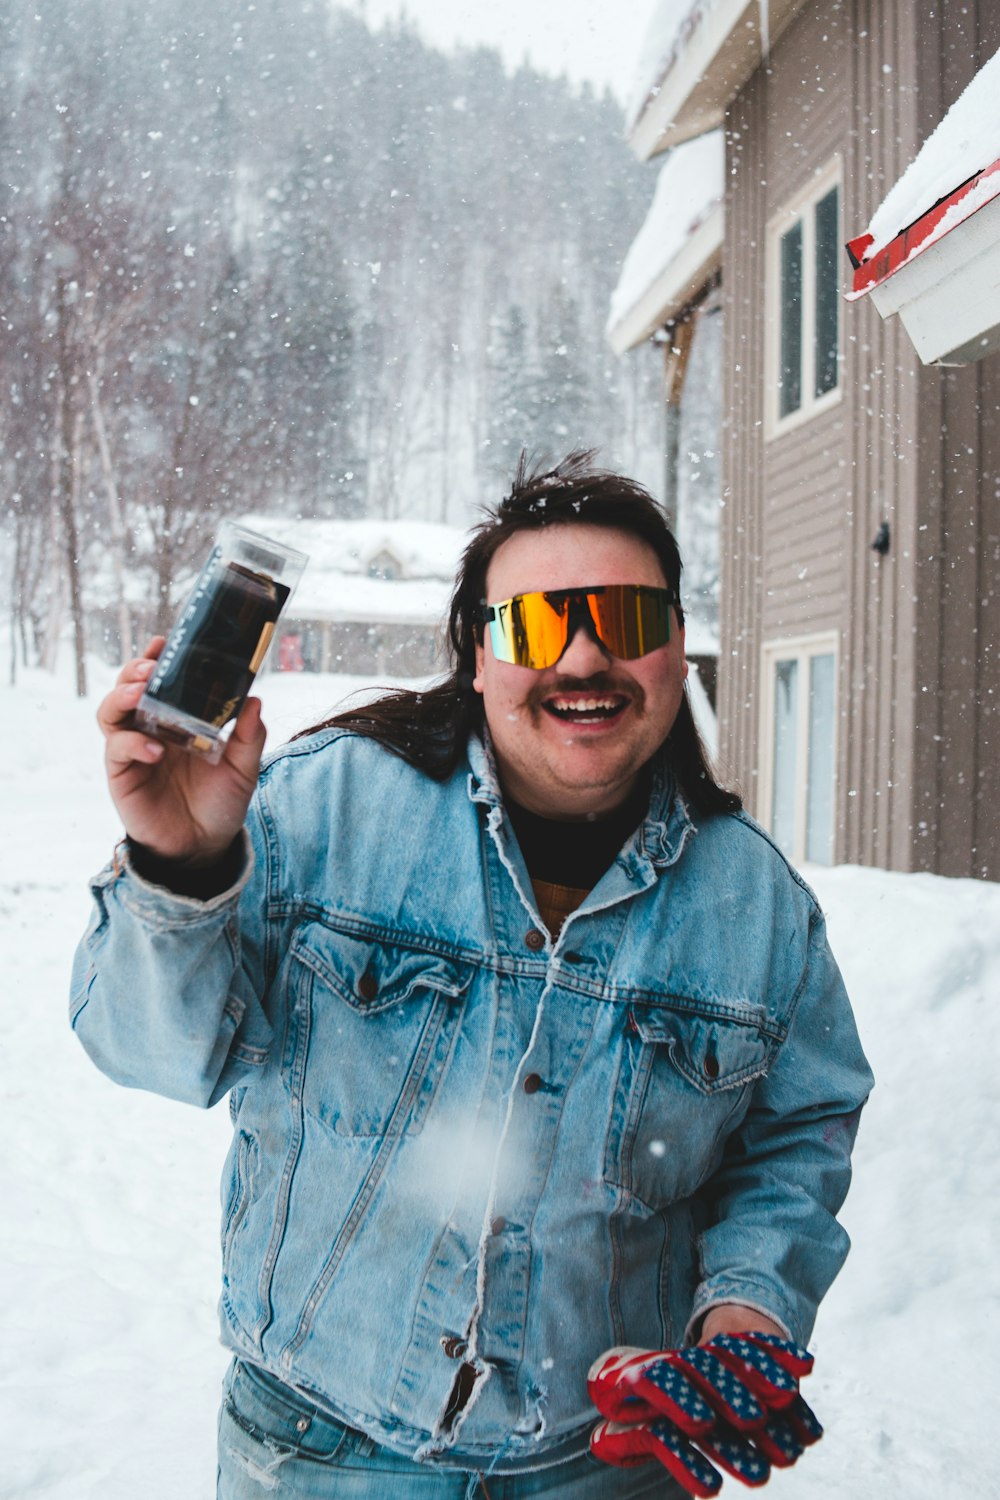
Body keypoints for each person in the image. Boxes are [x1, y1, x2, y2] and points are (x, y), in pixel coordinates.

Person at [71, 451, 873, 1499]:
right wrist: (179, 864)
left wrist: (746, 1306)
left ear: (676, 653)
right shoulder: (320, 810)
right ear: (478, 656)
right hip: (319, 1453)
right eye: (537, 625)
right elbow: (152, 1057)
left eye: (625, 621)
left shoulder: (759, 911)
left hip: (604, 1466)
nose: (582, 659)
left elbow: (795, 1140)